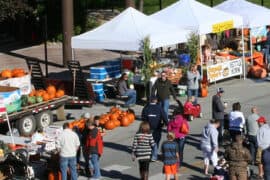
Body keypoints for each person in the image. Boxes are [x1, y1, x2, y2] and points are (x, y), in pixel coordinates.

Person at [141, 95, 167, 161]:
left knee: (150, 141)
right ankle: (154, 156)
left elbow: (143, 117)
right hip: (157, 127)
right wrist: (167, 124)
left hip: (148, 127)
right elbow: (164, 116)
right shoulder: (159, 107)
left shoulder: (146, 108)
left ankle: (150, 154)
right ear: (156, 100)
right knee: (156, 141)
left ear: (150, 100)